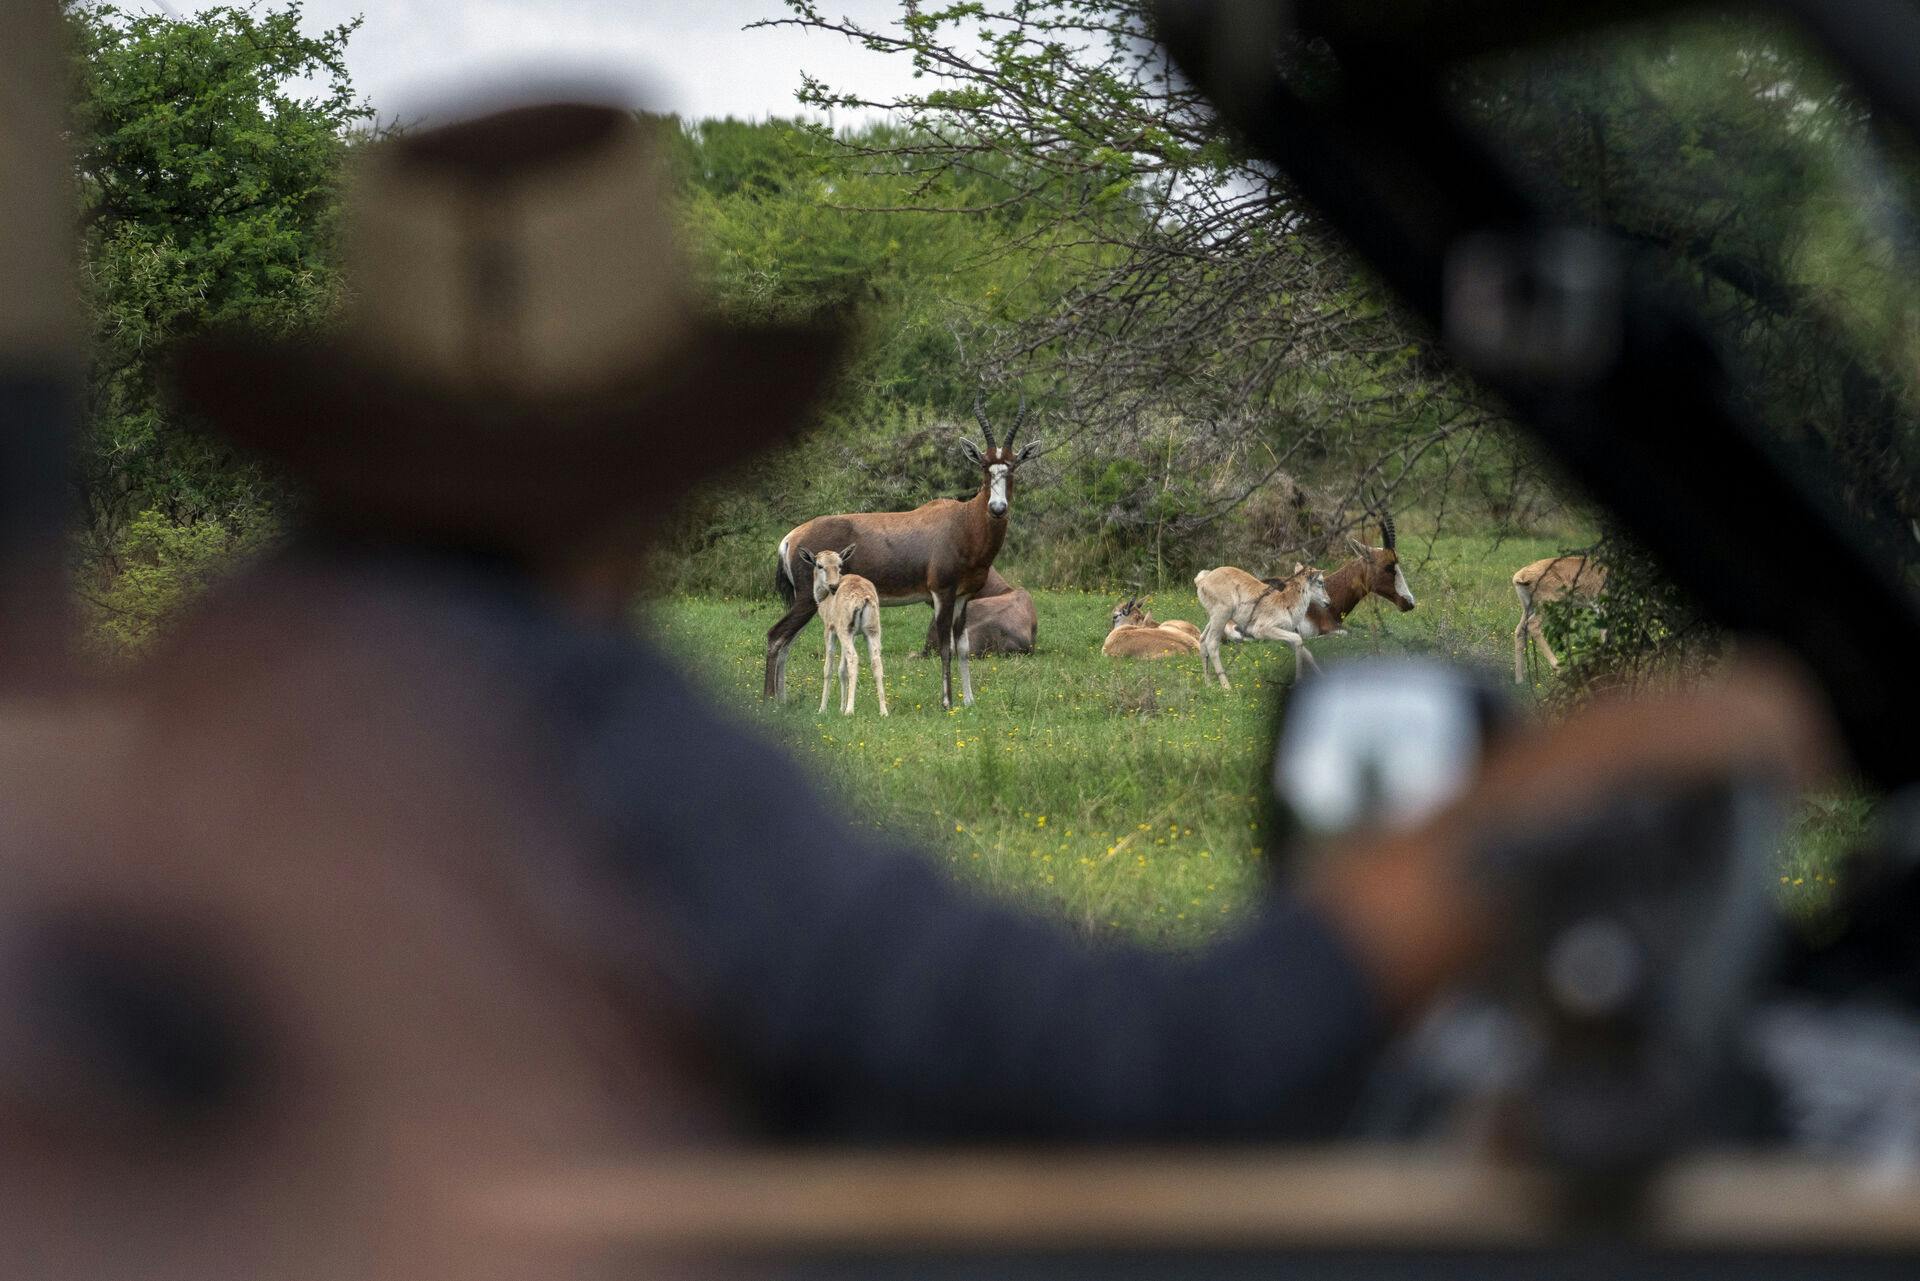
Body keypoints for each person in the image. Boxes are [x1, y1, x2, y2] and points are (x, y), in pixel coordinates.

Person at [0, 96, 1836, 1279]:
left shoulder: (225, 685)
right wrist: (1532, 797)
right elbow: (1142, 1067)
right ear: (661, 449)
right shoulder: (584, 732)